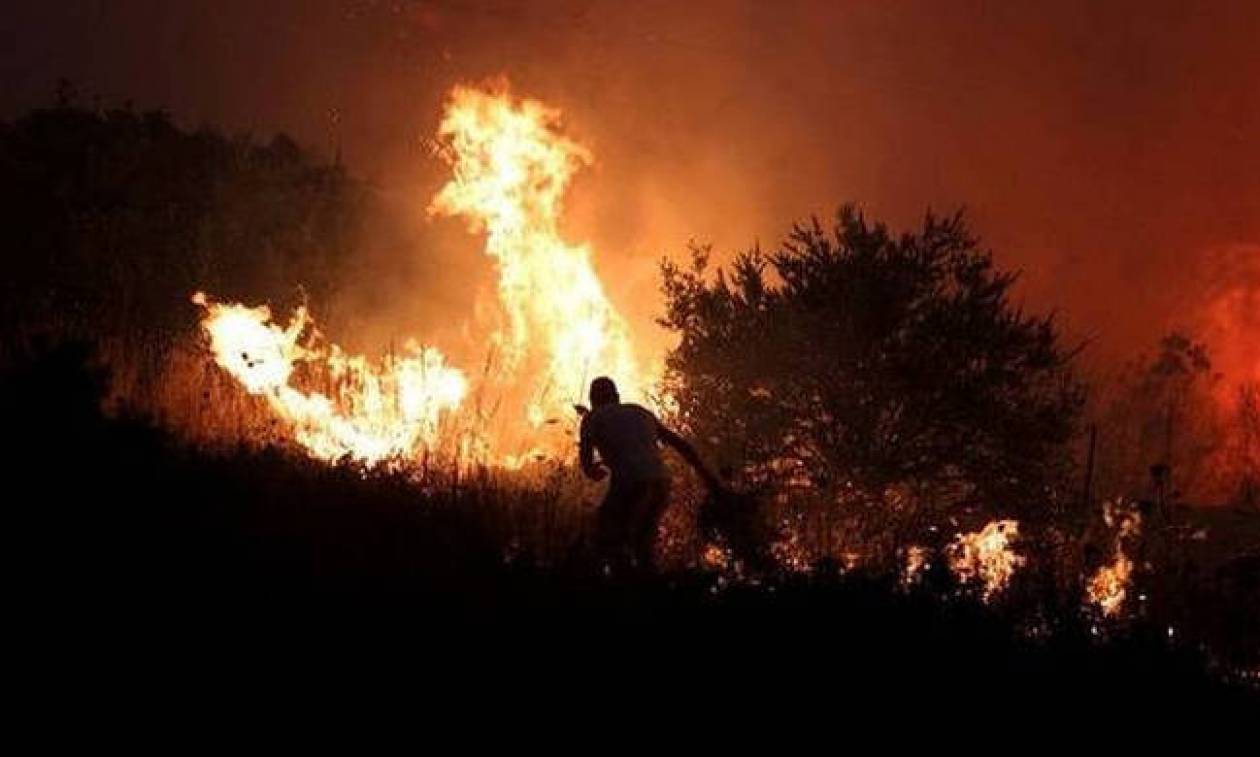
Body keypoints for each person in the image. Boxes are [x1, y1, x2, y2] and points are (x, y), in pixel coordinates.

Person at [578, 376, 720, 571]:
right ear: (617, 397)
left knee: (608, 538)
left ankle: (619, 588)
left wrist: (595, 471)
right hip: (661, 482)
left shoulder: (591, 419)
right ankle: (650, 586)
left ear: (592, 400)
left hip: (630, 483)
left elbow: (587, 465)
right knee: (643, 546)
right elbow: (680, 445)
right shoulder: (641, 412)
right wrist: (709, 478)